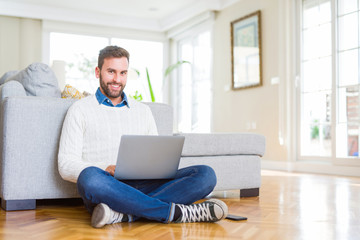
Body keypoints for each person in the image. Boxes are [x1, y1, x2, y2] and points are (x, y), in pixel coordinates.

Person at [58, 45, 228, 228]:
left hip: (146, 184)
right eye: (111, 72)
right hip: (108, 188)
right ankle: (175, 213)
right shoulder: (80, 109)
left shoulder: (143, 111)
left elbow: (155, 155)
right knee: (89, 177)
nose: (117, 79)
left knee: (205, 174)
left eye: (123, 73)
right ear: (98, 72)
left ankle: (122, 215)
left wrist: (157, 168)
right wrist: (105, 168)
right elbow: (65, 164)